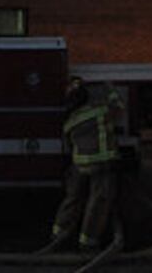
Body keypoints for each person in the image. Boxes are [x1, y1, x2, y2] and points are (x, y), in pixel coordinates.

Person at [50, 76, 122, 252]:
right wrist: (109, 88)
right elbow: (119, 108)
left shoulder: (69, 122)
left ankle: (58, 234)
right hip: (103, 164)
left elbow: (67, 147)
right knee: (98, 201)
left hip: (80, 166)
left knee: (73, 198)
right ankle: (88, 242)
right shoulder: (101, 111)